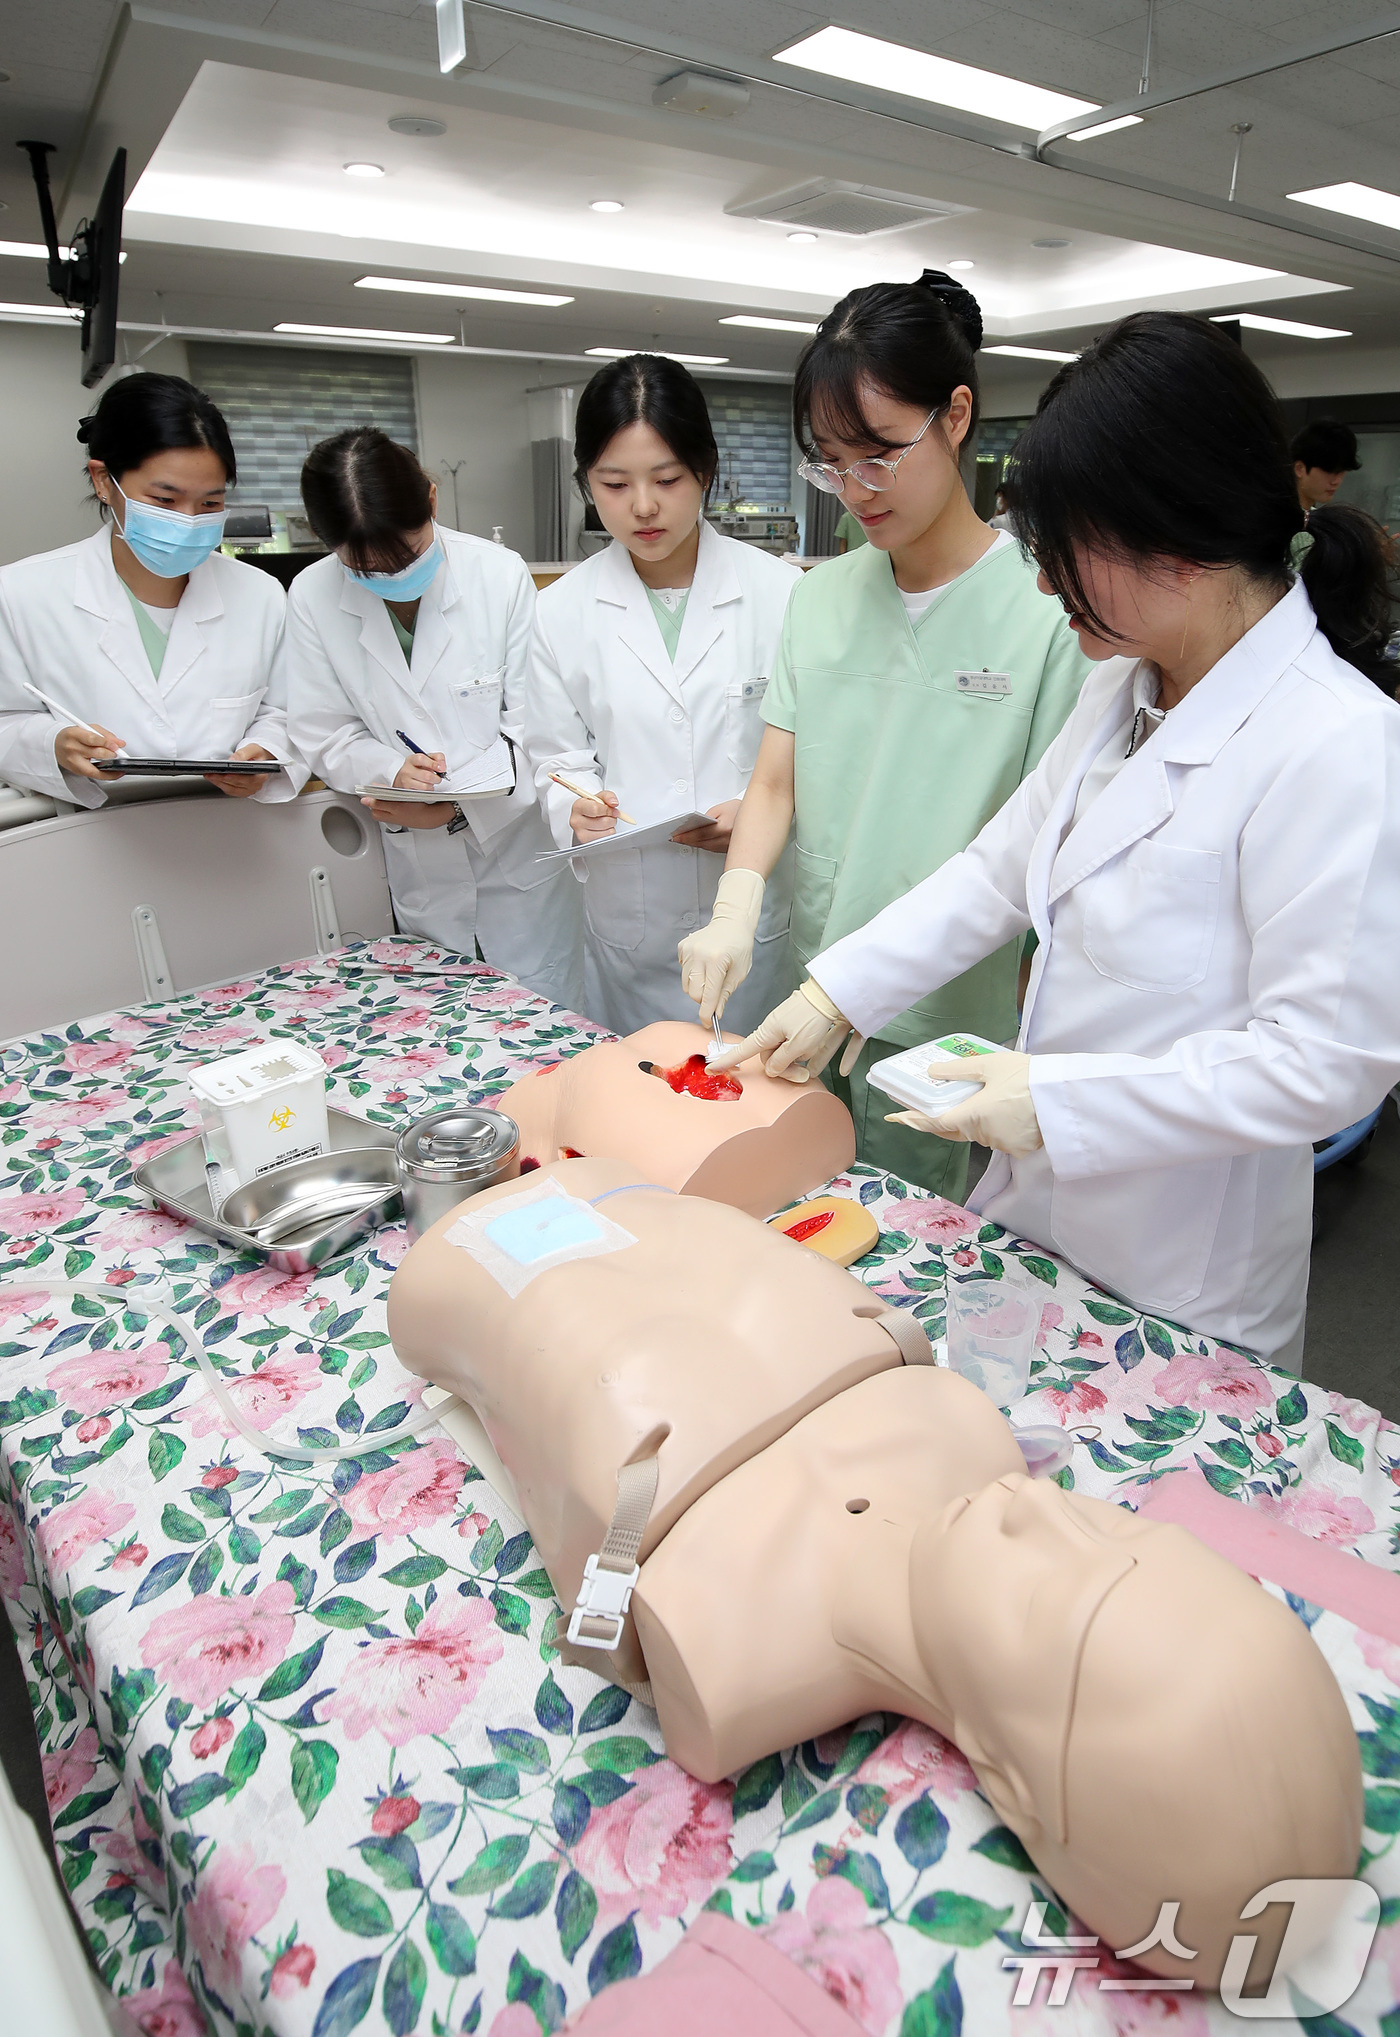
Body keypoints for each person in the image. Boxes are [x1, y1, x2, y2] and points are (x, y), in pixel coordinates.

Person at [718, 312, 1400, 1366]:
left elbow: (1322, 1064)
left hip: (1185, 1268)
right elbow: (998, 868)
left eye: (1061, 549)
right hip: (1041, 1221)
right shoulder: (1121, 686)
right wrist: (834, 994)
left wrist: (1054, 1101)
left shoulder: (1337, 741)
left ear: (1174, 531)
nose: (1041, 584)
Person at [681, 270, 1089, 1201]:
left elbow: (1033, 848)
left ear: (955, 415)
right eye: (829, 463)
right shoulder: (819, 596)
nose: (854, 491)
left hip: (941, 1016)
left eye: (878, 455)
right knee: (791, 1226)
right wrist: (734, 910)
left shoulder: (1045, 612)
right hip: (807, 984)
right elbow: (777, 781)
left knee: (910, 1262)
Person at [524, 355, 801, 1036]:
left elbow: (820, 749)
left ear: (705, 470)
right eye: (614, 483)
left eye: (667, 479)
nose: (643, 506)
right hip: (632, 927)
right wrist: (575, 806)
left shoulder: (783, 593)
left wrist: (761, 812)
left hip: (751, 921)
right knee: (640, 1109)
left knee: (757, 1116)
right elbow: (555, 756)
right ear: (586, 480)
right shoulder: (562, 611)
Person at [282, 429, 582, 1008]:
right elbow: (323, 727)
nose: (392, 577)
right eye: (366, 567)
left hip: (517, 862)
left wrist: (459, 807)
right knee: (443, 1032)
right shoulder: (312, 595)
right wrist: (388, 769)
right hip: (419, 870)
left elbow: (534, 725)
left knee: (546, 1029)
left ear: (432, 499)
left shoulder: (499, 576)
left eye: (409, 554)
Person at [0, 372, 303, 806]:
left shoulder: (261, 594)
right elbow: (5, 720)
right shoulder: (20, 593)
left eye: (210, 503)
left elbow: (288, 714)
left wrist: (268, 751)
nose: (189, 519)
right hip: (89, 845)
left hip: (232, 834)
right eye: (165, 500)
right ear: (105, 481)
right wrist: (52, 743)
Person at [1292, 418, 1360, 512]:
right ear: (1299, 469)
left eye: (1342, 471)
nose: (1336, 481)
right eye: (1329, 471)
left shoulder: (1318, 520)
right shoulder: (1271, 518)